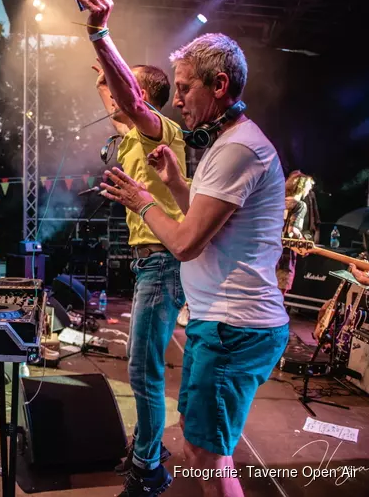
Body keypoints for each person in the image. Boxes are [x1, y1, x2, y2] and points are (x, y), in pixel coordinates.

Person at [96, 26, 289, 497]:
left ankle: (145, 468)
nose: (178, 101)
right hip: (217, 322)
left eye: (184, 88)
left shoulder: (238, 148)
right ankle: (148, 462)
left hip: (233, 325)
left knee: (204, 454)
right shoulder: (227, 145)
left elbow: (185, 243)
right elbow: (206, 220)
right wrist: (178, 184)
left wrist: (143, 200)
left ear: (218, 86)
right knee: (202, 446)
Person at [79, 0, 188, 485]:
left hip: (164, 262)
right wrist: (105, 72)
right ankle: (146, 448)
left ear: (140, 93)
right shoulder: (129, 135)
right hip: (155, 263)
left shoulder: (158, 129)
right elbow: (115, 96)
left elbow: (128, 100)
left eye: (120, 82)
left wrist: (100, 34)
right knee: (141, 365)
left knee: (143, 370)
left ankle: (147, 467)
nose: (107, 90)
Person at [276, 171, 315, 294]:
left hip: (268, 254)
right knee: (279, 297)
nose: (308, 191)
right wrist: (303, 242)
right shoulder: (300, 205)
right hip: (285, 257)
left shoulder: (277, 202)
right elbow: (293, 230)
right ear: (302, 187)